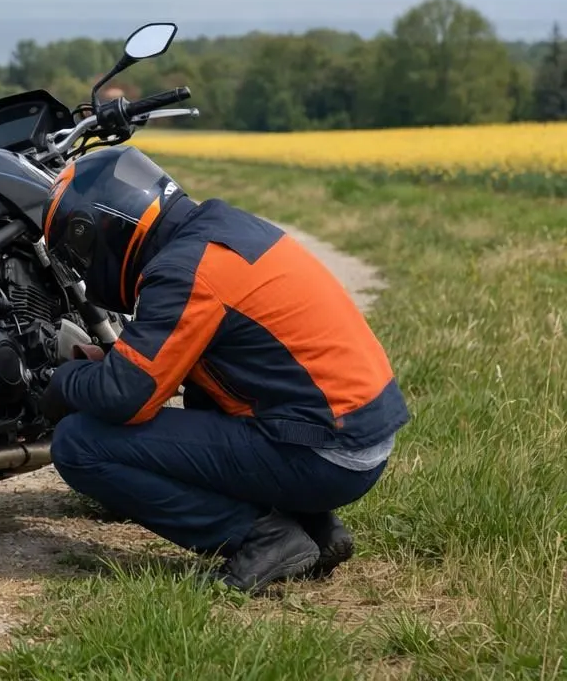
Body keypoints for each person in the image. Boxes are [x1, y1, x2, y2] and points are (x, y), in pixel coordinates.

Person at [39, 146, 408, 593]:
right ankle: (316, 526)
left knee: (79, 444)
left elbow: (124, 397)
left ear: (98, 230)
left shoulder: (182, 270)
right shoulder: (221, 228)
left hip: (328, 453)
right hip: (358, 436)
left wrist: (64, 383)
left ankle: (264, 537)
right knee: (200, 405)